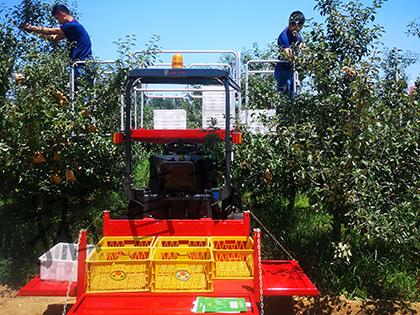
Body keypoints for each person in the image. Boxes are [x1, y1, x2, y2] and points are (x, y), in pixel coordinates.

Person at [22, 4, 94, 89]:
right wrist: (33, 32)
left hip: (82, 64)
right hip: (83, 64)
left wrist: (31, 27)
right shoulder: (72, 29)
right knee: (80, 93)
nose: (59, 22)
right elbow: (53, 38)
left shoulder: (73, 25)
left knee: (82, 93)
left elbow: (50, 31)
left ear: (62, 14)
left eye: (57, 18)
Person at [274, 11, 305, 97]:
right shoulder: (284, 36)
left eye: (300, 28)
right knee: (284, 97)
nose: (298, 30)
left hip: (291, 70)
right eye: (297, 28)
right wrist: (301, 61)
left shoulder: (297, 35)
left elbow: (303, 47)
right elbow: (287, 55)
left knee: (292, 97)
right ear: (291, 25)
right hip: (283, 71)